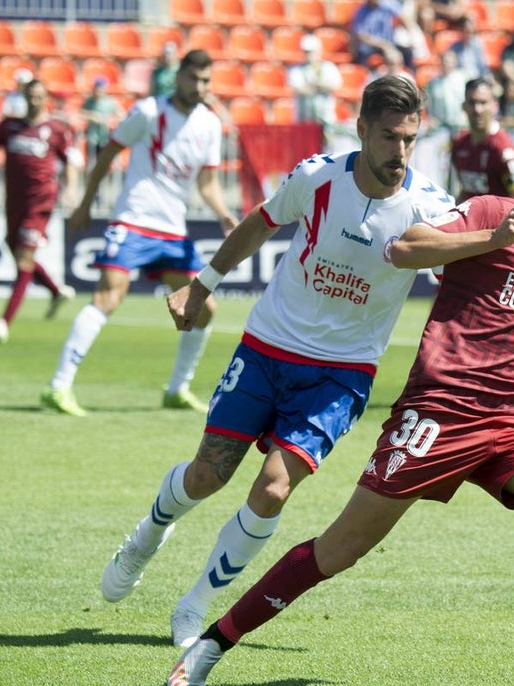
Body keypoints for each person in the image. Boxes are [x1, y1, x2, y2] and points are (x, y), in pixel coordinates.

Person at [166, 113, 514, 686]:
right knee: (340, 549)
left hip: (507, 428)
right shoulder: (490, 212)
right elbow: (403, 246)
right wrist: (496, 240)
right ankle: (213, 644)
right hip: (439, 417)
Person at [98, 75, 455, 650]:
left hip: (342, 371)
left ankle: (195, 606)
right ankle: (148, 533)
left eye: (410, 139)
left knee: (272, 490)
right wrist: (200, 286)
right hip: (268, 346)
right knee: (207, 475)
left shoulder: (430, 209)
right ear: (361, 129)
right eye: (389, 137)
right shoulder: (317, 176)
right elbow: (259, 224)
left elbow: (456, 278)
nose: (400, 151)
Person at [41, 49, 237, 416]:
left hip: (172, 230)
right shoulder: (149, 111)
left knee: (204, 308)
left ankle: (177, 389)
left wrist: (224, 213)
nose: (199, 86)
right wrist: (85, 204)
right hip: (133, 219)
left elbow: (208, 183)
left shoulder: (209, 124)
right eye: (193, 78)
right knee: (108, 297)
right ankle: (58, 386)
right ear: (178, 76)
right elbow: (108, 155)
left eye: (206, 80)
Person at [0, 78, 81, 343]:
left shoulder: (56, 129)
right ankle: (55, 291)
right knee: (18, 252)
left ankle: (3, 321)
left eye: (39, 96)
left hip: (40, 202)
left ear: (46, 100)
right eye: (30, 96)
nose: (34, 101)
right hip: (14, 202)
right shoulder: (9, 126)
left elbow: (72, 161)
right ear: (24, 97)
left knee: (22, 260)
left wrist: (71, 188)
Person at [450, 77, 514, 203]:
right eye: (472, 102)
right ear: (464, 106)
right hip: (472, 221)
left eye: (483, 103)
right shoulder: (459, 144)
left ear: (495, 106)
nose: (477, 110)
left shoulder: (502, 148)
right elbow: (467, 190)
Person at [288, 34, 343, 151]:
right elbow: (299, 89)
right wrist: (319, 86)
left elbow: (334, 86)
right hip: (304, 120)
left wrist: (314, 85)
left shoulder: (329, 67)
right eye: (306, 52)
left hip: (326, 119)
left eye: (311, 51)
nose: (308, 55)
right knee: (303, 151)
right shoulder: (296, 69)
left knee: (327, 151)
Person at [80, 76, 119, 164]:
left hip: (105, 137)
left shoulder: (110, 102)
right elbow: (81, 113)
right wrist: (92, 116)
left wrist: (110, 121)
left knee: (103, 162)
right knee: (90, 162)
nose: (99, 92)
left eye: (101, 89)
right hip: (92, 137)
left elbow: (121, 115)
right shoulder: (89, 101)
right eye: (97, 89)